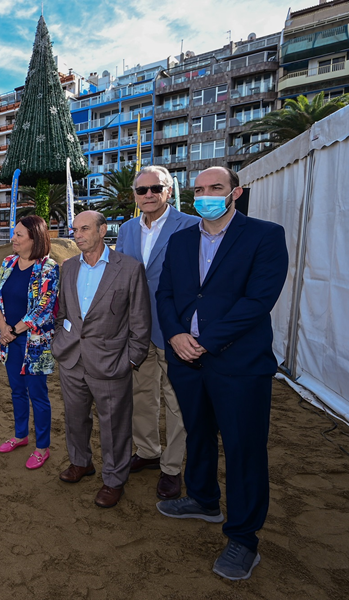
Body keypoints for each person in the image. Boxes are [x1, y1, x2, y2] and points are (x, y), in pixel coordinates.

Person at [155, 166, 288, 581]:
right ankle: (203, 499)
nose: (206, 194)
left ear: (236, 192)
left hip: (239, 364)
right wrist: (176, 335)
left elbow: (258, 300)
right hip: (186, 360)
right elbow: (166, 293)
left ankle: (244, 539)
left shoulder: (265, 235)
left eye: (216, 188)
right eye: (199, 189)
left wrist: (207, 341)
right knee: (197, 431)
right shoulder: (179, 240)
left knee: (243, 448)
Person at [52, 210, 151, 508]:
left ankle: (114, 479)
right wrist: (61, 343)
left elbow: (140, 320)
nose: (77, 235)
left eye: (84, 229)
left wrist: (132, 360)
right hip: (71, 359)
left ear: (102, 230)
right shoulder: (68, 267)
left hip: (111, 362)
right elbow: (63, 314)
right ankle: (81, 462)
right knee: (74, 418)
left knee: (114, 425)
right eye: (74, 229)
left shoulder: (129, 268)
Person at [116, 166, 200, 500]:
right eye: (142, 190)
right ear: (135, 196)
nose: (148, 195)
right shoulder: (126, 229)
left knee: (177, 401)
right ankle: (148, 451)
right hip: (136, 329)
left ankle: (172, 467)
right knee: (140, 396)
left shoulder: (192, 226)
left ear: (168, 191)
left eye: (156, 188)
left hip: (176, 330)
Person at [0, 215, 59, 469]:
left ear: (35, 238)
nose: (13, 238)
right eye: (14, 233)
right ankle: (21, 435)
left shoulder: (48, 268)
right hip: (10, 340)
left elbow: (43, 308)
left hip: (34, 344)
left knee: (38, 395)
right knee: (17, 391)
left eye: (19, 235)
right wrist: (3, 328)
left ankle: (42, 447)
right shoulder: (8, 262)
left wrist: (14, 331)